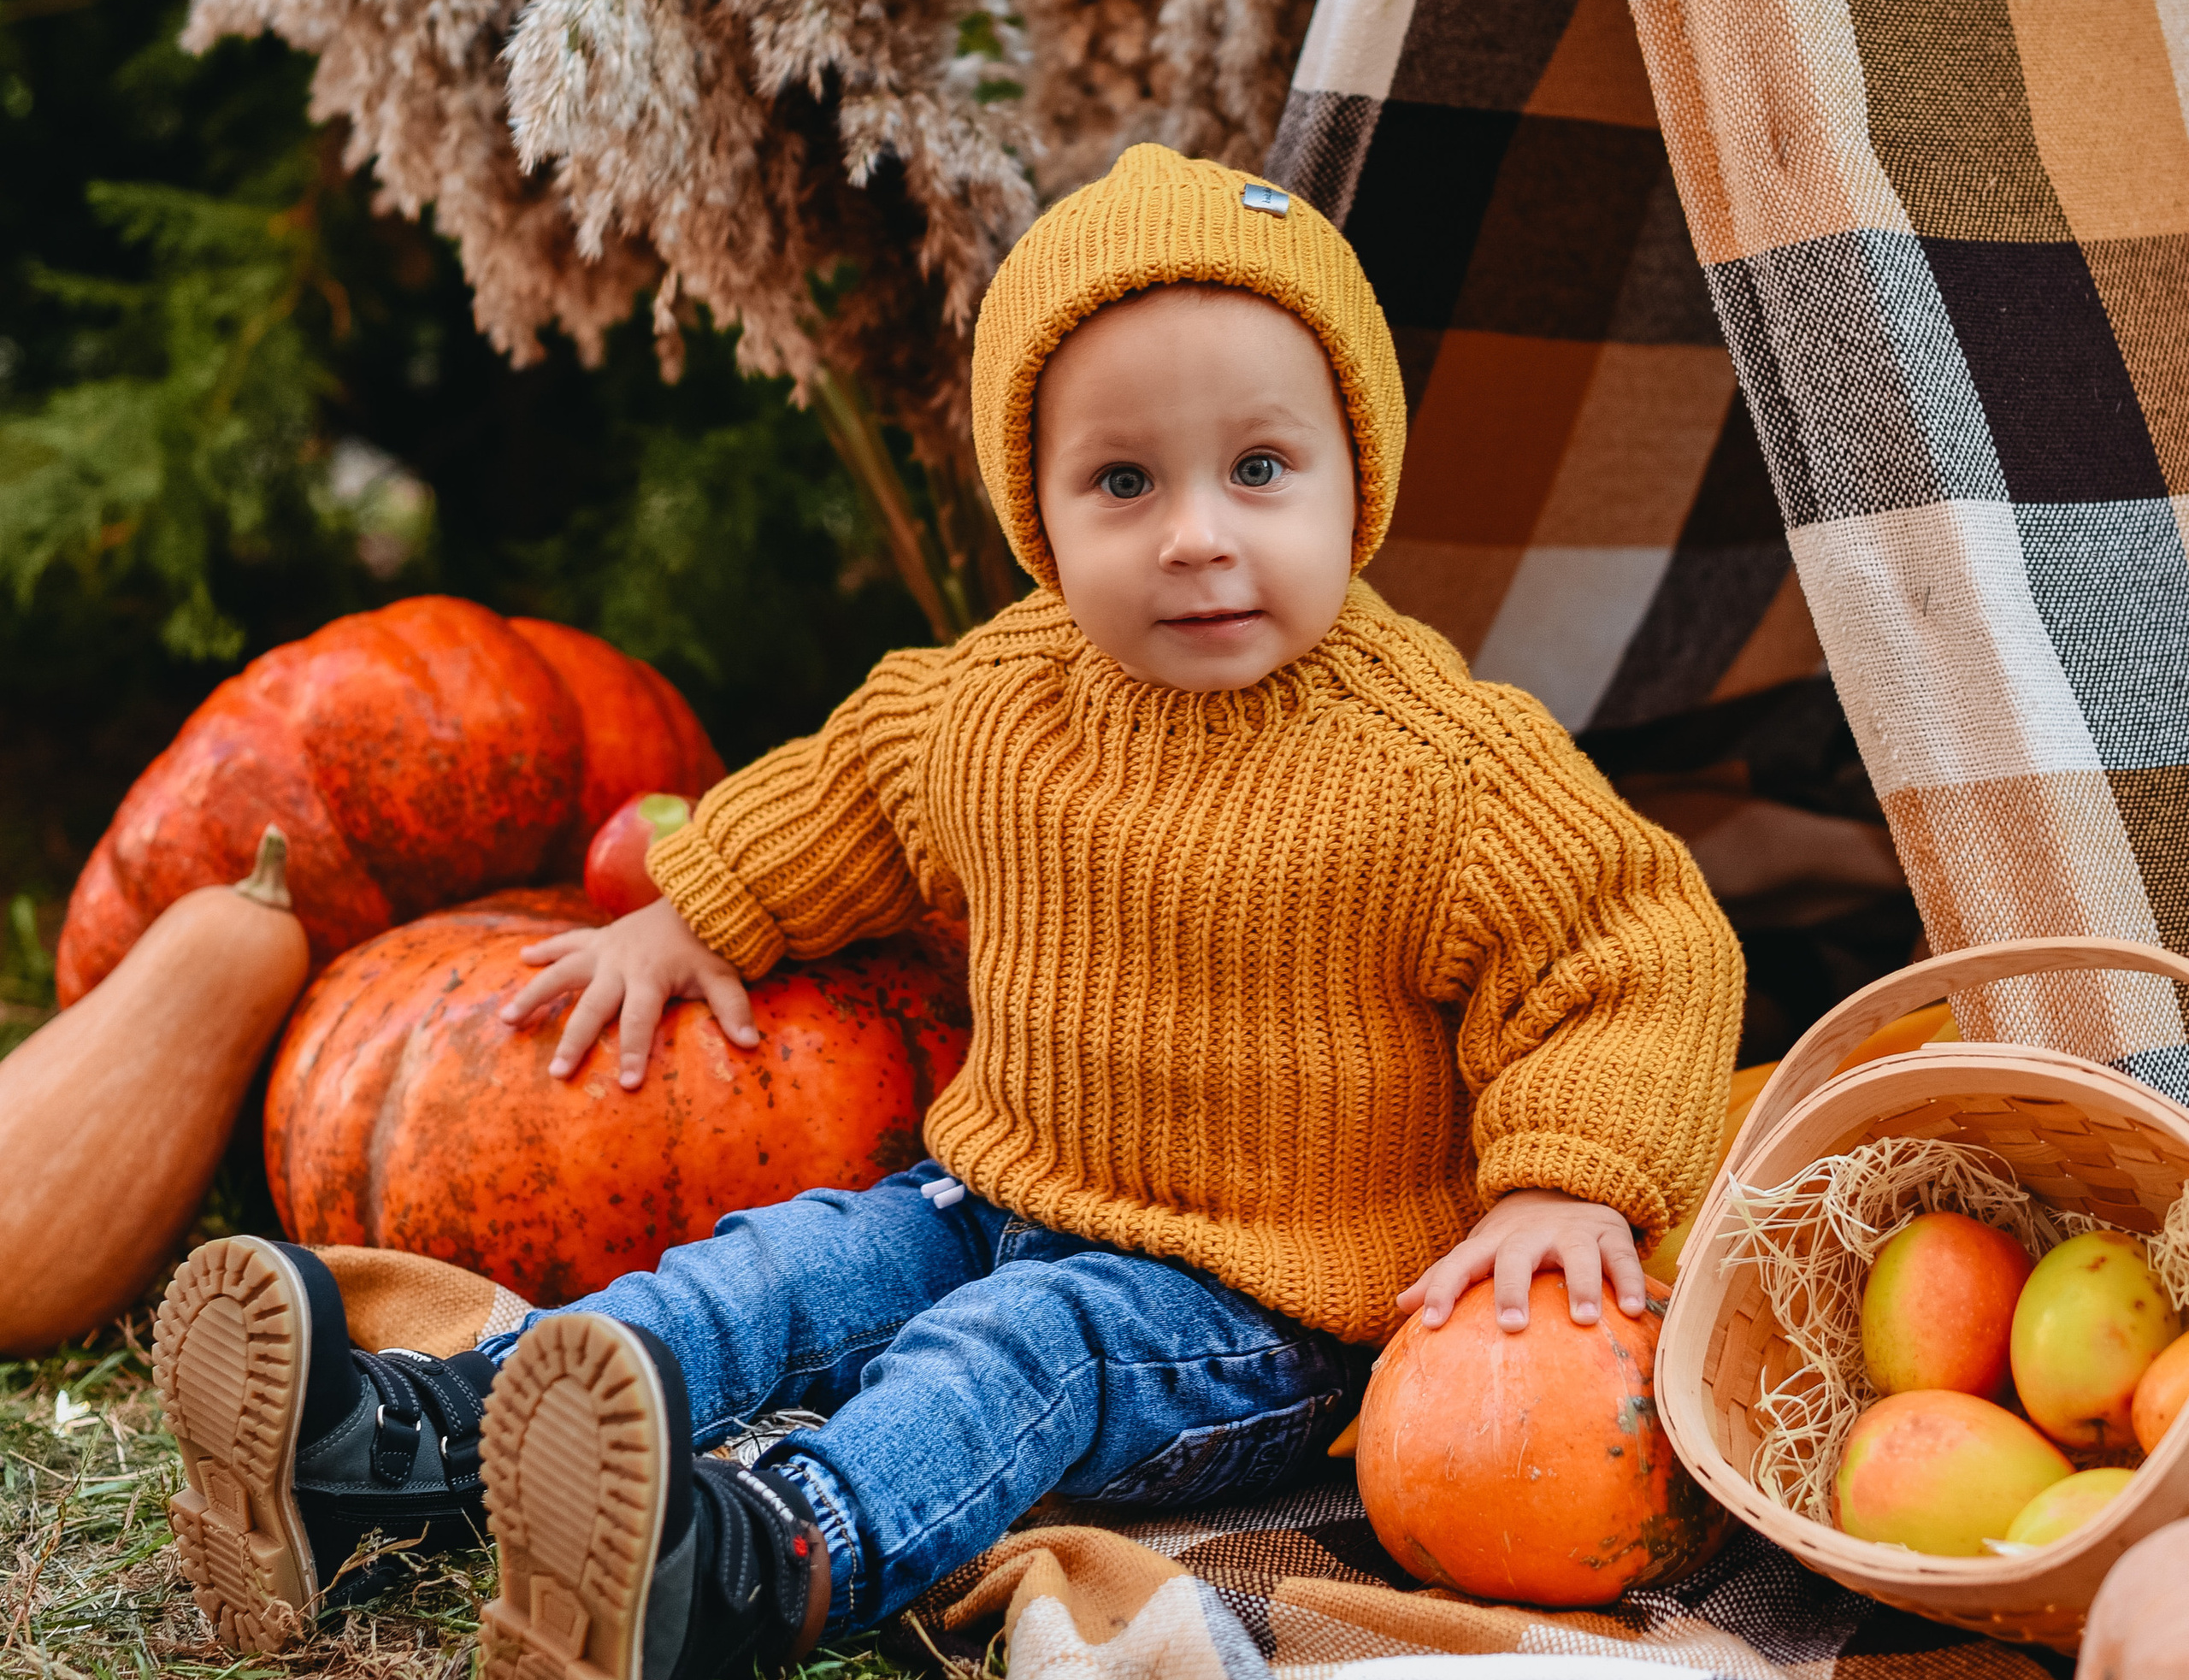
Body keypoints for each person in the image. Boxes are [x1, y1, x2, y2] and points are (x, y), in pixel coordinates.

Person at [152, 144, 1743, 1678]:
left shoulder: (1443, 768)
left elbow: (1630, 944)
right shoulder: (999, 703)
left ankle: (755, 1560)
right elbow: (858, 780)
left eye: (1260, 470)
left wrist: (1564, 1183)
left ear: (1358, 478)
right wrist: (699, 907)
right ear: (1040, 514)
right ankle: (410, 1438)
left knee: (1013, 1358)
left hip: (1263, 1310)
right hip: (994, 1199)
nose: (1197, 534)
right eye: (1124, 481)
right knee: (780, 1271)